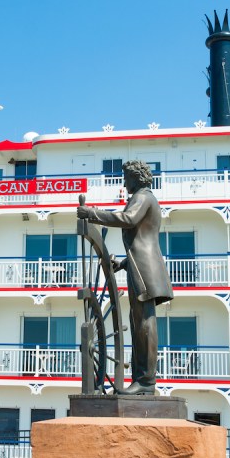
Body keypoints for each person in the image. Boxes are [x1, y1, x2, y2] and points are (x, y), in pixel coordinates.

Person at [77, 160, 173, 395]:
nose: (124, 181)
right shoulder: (145, 197)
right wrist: (122, 264)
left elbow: (128, 219)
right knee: (139, 323)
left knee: (144, 325)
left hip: (145, 269)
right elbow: (142, 240)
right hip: (140, 266)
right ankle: (142, 379)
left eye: (127, 176)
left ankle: (146, 381)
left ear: (136, 177)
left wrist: (92, 213)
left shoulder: (143, 196)